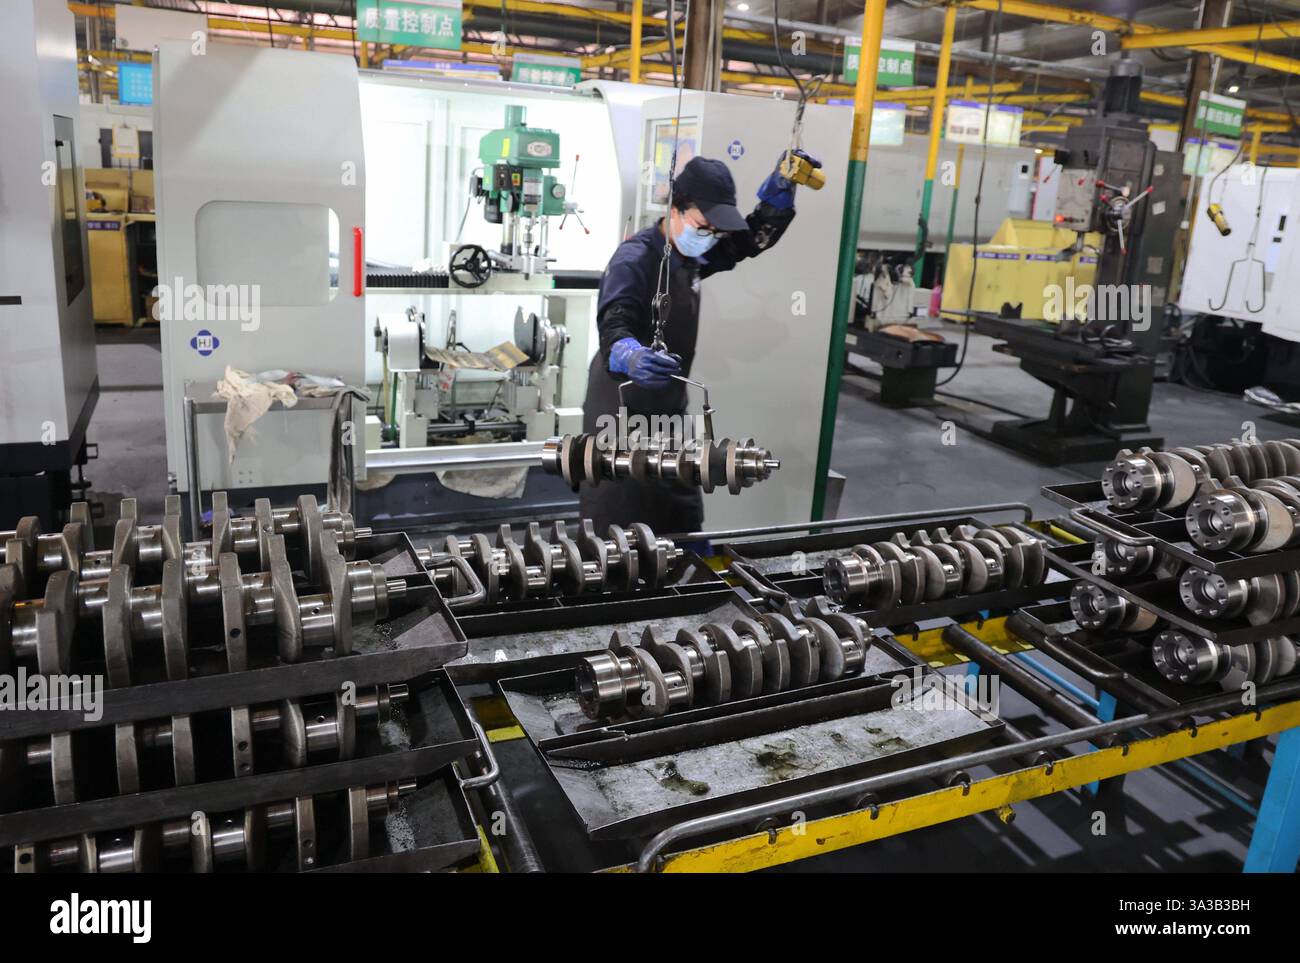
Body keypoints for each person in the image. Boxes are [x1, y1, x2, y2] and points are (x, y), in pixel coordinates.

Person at [580, 151, 820, 536]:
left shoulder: (689, 254)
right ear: (674, 209)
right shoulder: (635, 259)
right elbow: (615, 323)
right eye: (703, 226)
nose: (709, 238)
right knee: (619, 523)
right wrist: (631, 355)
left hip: (668, 407)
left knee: (680, 514)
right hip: (620, 408)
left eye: (715, 231)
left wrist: (778, 197)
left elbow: (749, 240)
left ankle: (688, 577)